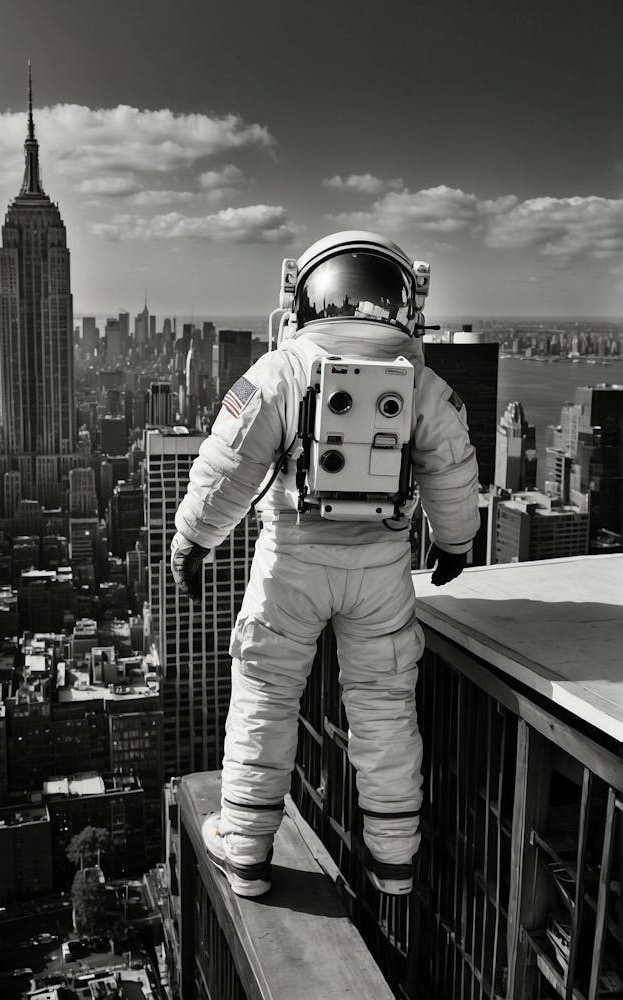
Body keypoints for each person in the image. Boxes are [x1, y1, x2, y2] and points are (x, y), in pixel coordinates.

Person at [171, 231, 480, 898]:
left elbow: (228, 464)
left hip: (291, 565)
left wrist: (193, 540)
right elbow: (453, 469)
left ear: (303, 296)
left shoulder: (282, 370)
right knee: (385, 706)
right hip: (381, 571)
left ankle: (247, 850)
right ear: (406, 302)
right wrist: (455, 544)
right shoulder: (423, 384)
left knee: (265, 696)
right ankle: (394, 860)